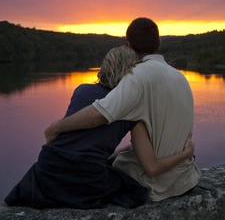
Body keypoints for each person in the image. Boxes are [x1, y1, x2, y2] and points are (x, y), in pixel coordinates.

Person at [4, 47, 195, 209]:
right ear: (132, 73)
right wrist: (186, 153)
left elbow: (80, 139)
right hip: (85, 178)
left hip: (47, 168)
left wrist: (111, 155)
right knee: (134, 190)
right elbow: (151, 166)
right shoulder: (131, 107)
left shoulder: (81, 90)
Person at [44, 17, 201, 202]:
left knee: (100, 173)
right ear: (159, 42)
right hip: (184, 179)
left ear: (128, 45)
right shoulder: (180, 77)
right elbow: (152, 139)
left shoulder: (136, 77)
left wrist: (56, 127)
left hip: (155, 185)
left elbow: (100, 113)